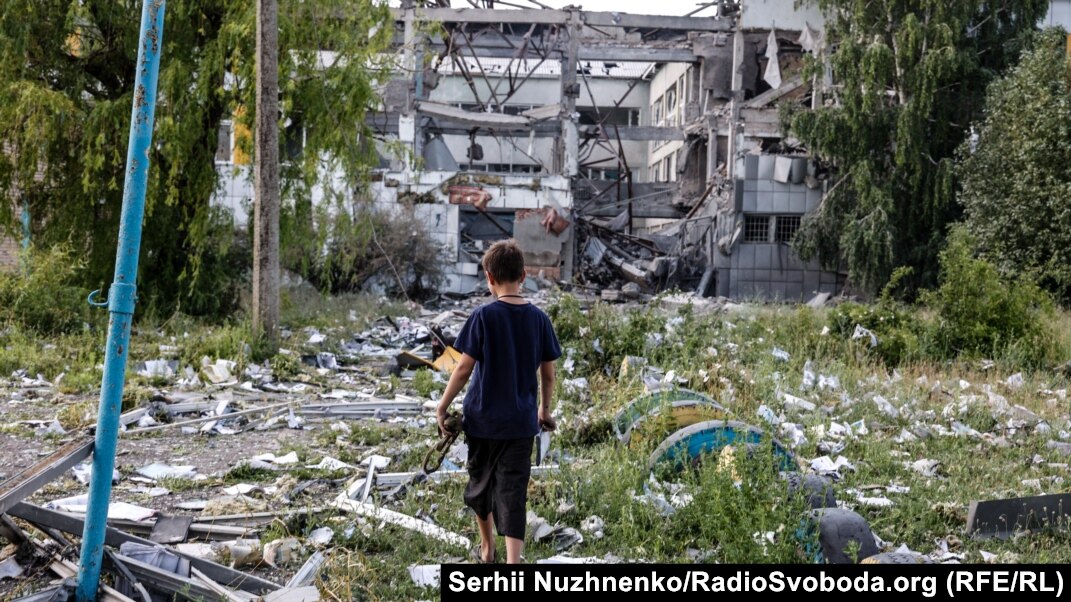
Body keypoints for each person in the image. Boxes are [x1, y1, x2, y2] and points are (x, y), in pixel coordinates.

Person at [435, 239, 561, 564]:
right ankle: (513, 565)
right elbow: (548, 375)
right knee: (513, 492)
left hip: (482, 421)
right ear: (524, 275)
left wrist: (442, 405)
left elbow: (464, 368)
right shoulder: (539, 319)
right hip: (521, 425)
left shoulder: (483, 316)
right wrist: (544, 410)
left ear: (489, 277)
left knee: (481, 484)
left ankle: (487, 548)